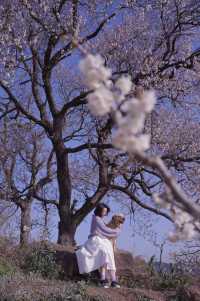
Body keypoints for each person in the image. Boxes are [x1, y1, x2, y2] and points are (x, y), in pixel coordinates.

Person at [75, 203, 121, 288]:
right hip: (96, 240)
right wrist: (116, 231)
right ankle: (104, 279)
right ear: (99, 211)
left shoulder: (100, 219)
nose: (105, 213)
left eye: (106, 212)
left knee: (109, 255)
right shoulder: (96, 219)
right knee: (105, 253)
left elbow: (105, 230)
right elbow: (105, 230)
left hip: (102, 240)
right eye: (104, 211)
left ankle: (112, 279)